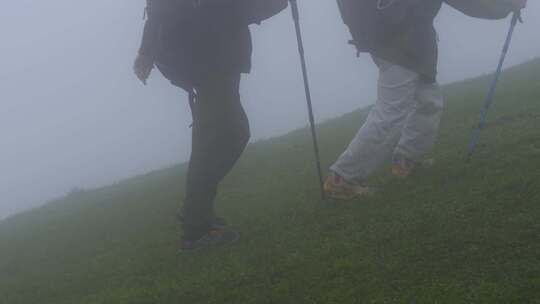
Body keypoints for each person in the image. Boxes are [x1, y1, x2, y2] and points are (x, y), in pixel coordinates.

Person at [325, 0, 528, 200]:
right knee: (390, 114)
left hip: (405, 44)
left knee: (428, 103)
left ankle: (406, 158)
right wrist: (507, 5)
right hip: (400, 46)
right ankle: (342, 178)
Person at [134, 0, 288, 250]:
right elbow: (235, 9)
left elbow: (158, 11)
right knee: (229, 135)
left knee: (216, 137)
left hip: (206, 57)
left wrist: (146, 52)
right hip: (210, 57)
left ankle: (196, 212)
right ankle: (196, 227)